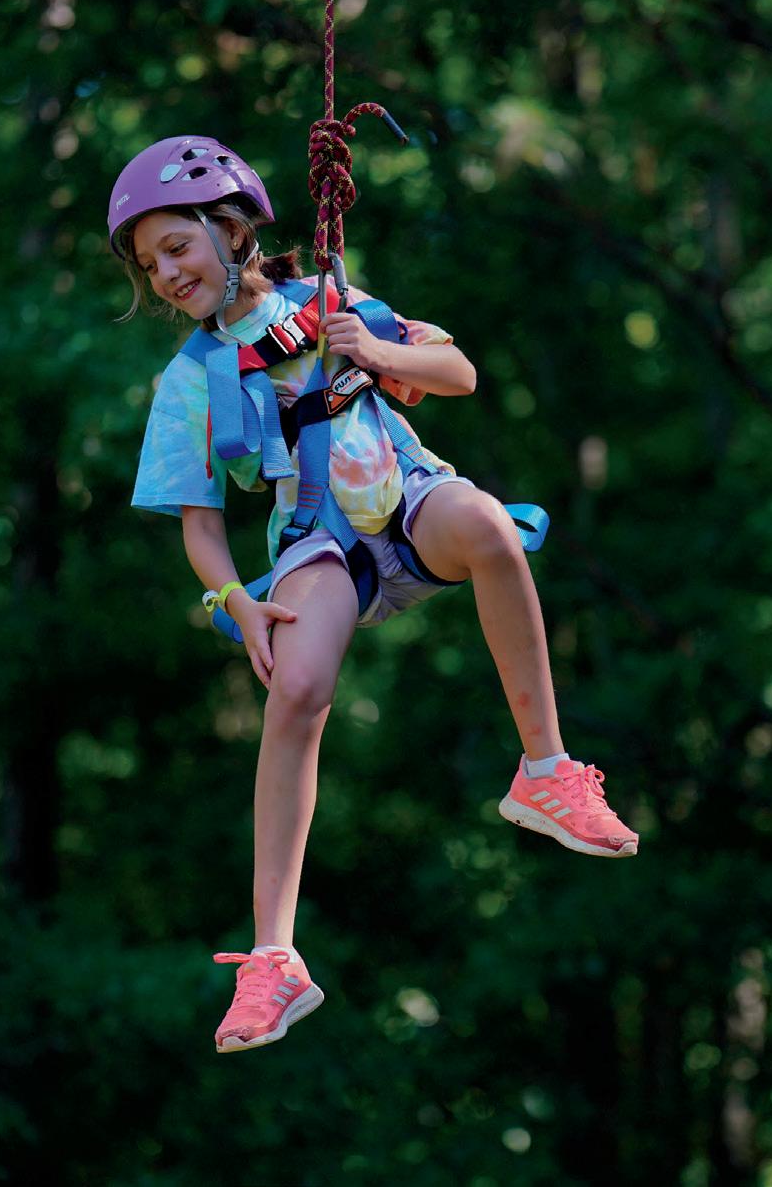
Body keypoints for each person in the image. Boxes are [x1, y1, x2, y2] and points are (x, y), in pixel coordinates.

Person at [108, 135, 639, 1053]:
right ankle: (273, 958)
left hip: (407, 495)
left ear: (231, 230)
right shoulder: (189, 381)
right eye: (151, 264)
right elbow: (200, 525)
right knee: (298, 689)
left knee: (489, 528)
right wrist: (234, 600)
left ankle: (546, 771)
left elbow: (458, 374)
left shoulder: (331, 300)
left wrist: (372, 344)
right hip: (318, 541)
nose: (167, 273)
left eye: (178, 246)